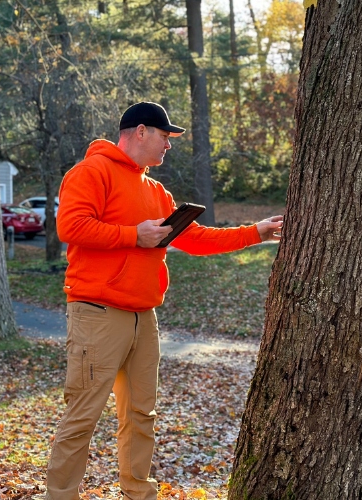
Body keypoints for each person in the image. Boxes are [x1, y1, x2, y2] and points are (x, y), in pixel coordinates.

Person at [45, 101, 283, 500]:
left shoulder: (155, 190)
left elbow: (194, 239)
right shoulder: (91, 172)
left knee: (141, 416)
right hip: (97, 313)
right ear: (140, 131)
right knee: (82, 415)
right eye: (164, 136)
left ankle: (138, 493)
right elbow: (71, 226)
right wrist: (132, 235)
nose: (169, 145)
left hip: (144, 316)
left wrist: (255, 232)